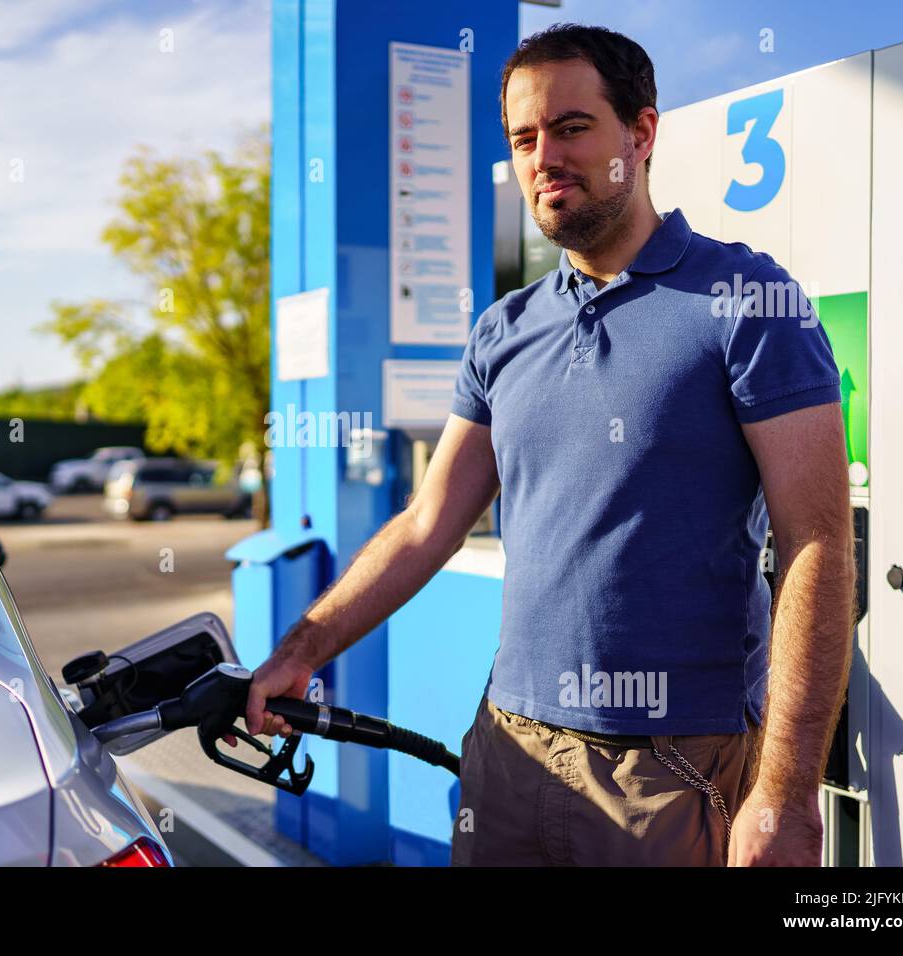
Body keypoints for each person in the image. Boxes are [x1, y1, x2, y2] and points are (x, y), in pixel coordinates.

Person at [228, 22, 855, 866]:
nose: (543, 158)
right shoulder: (504, 330)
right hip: (508, 750)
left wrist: (784, 795)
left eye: (571, 127)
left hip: (670, 769)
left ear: (641, 132)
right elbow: (426, 526)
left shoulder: (746, 301)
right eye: (524, 138)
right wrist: (300, 652)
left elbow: (816, 541)